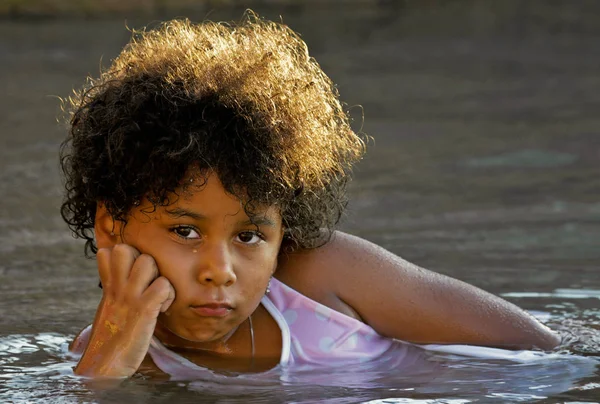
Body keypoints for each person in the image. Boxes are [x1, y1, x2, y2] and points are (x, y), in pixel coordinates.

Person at [60, 13, 560, 379]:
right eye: (185, 231)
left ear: (283, 233)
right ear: (112, 224)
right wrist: (106, 363)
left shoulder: (320, 278)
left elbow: (548, 350)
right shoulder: (107, 354)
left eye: (251, 236)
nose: (220, 269)